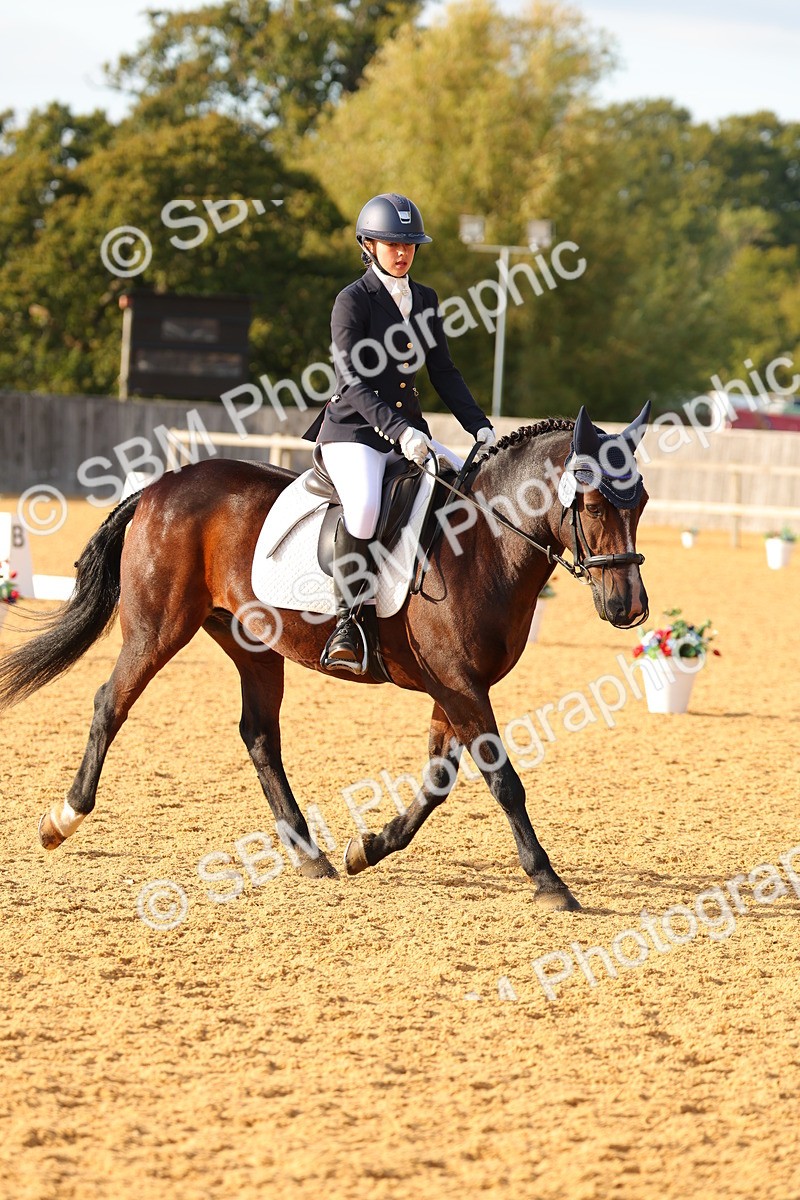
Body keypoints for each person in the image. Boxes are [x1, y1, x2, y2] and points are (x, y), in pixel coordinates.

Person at [303, 192, 496, 673]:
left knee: (469, 489)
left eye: (409, 244)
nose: (402, 252)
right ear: (368, 245)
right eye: (392, 244)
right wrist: (401, 430)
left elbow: (443, 371)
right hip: (354, 434)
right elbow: (352, 381)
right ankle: (348, 622)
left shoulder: (425, 299)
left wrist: (479, 425)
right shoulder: (352, 301)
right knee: (366, 507)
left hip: (408, 432)